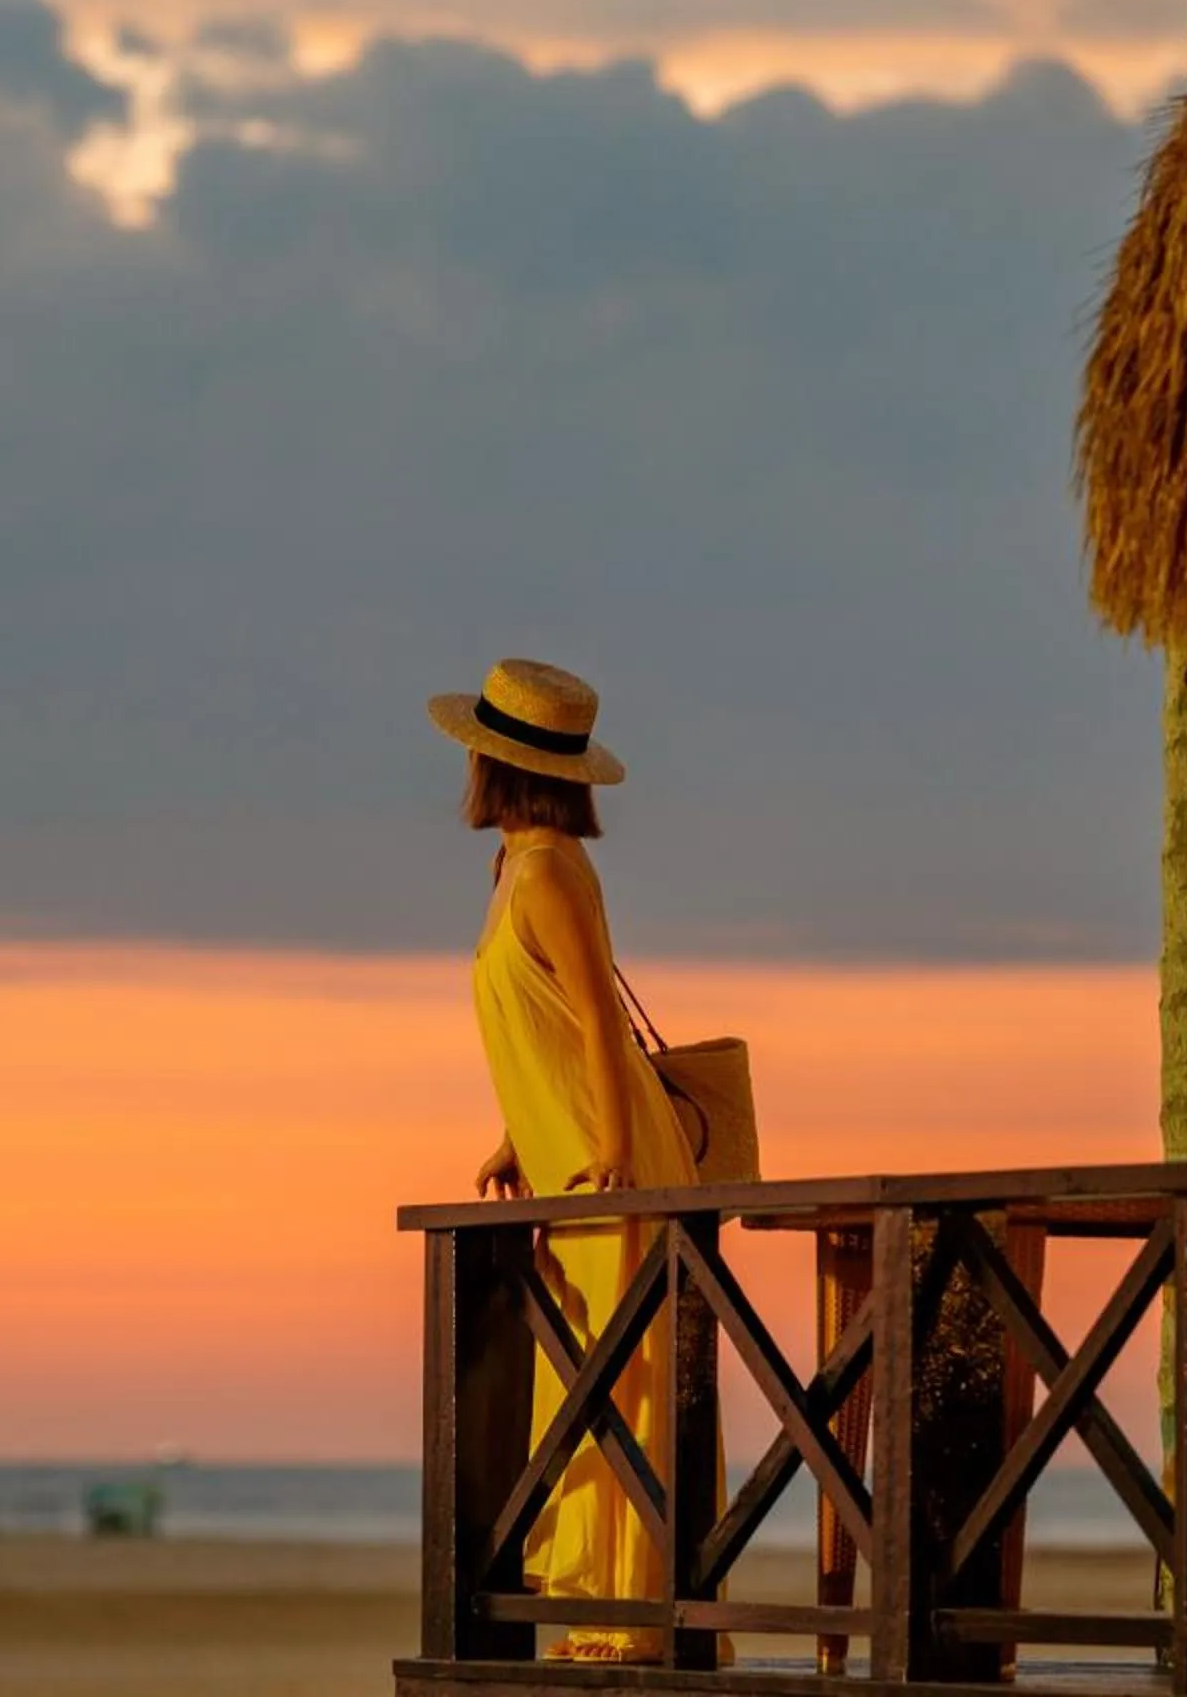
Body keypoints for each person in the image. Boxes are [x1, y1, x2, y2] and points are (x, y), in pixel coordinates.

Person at [428, 657, 705, 1666]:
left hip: (607, 1154)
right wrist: (516, 1130)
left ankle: (626, 1614)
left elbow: (595, 1014)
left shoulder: (546, 871)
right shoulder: (515, 868)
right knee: (588, 1365)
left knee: (620, 1373)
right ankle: (603, 1602)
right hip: (573, 1147)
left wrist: (614, 1151)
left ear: (497, 769)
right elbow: (535, 1024)